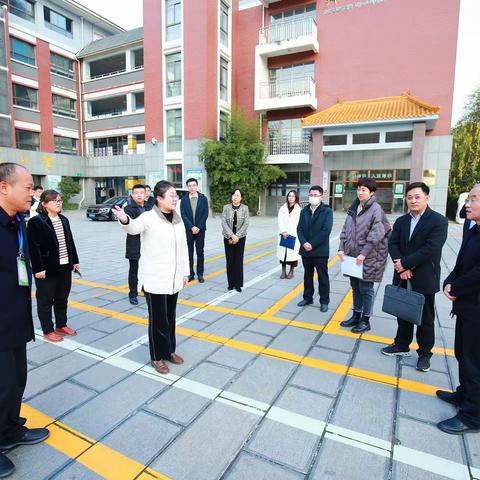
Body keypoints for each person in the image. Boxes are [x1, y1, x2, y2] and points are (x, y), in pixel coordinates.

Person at [0, 162, 49, 478]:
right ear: (4, 187)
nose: (33, 193)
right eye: (28, 187)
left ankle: (9, 431)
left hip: (15, 319)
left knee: (16, 381)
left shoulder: (18, 222)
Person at [113, 180, 189, 375]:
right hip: (155, 279)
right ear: (159, 198)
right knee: (157, 320)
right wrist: (124, 219)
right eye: (171, 195)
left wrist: (185, 272)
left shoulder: (177, 219)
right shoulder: (148, 217)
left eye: (175, 196)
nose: (175, 199)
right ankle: (156, 357)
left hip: (173, 279)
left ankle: (169, 350)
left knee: (170, 318)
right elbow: (133, 228)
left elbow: (183, 248)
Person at [381, 182, 448, 372]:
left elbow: (431, 249)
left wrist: (406, 263)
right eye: (409, 197)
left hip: (424, 276)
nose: (413, 200)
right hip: (402, 273)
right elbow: (392, 244)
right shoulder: (402, 221)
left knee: (425, 317)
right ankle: (401, 345)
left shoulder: (438, 221)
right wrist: (401, 267)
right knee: (403, 311)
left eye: (417, 197)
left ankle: (425, 354)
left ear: (427, 197)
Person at [437, 184, 480, 434]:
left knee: (474, 361)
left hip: (475, 306)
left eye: (473, 199)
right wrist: (449, 281)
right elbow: (462, 260)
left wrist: (457, 287)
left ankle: (473, 416)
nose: (467, 203)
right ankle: (465, 395)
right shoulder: (471, 227)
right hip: (466, 304)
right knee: (462, 353)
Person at [338, 178, 392, 333]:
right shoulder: (354, 207)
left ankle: (366, 320)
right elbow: (345, 230)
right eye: (359, 189)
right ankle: (356, 315)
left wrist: (363, 253)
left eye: (364, 190)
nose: (360, 192)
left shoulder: (376, 209)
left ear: (372, 192)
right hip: (352, 256)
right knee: (355, 287)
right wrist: (341, 248)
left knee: (366, 288)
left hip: (369, 257)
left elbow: (377, 234)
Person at [27, 190, 80, 343]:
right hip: (47, 269)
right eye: (54, 200)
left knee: (62, 298)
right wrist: (38, 269)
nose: (59, 203)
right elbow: (33, 247)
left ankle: (61, 325)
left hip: (65, 266)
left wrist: (74, 261)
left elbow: (70, 243)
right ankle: (48, 330)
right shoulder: (36, 222)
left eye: (60, 200)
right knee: (45, 300)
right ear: (44, 204)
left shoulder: (63, 219)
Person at [297, 185, 333, 312]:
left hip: (320, 250)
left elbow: (326, 231)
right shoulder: (304, 211)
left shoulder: (327, 211)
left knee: (323, 276)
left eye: (315, 195)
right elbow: (299, 229)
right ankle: (307, 297)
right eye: (311, 195)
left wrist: (311, 244)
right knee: (307, 275)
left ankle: (324, 301)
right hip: (305, 250)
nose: (313, 197)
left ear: (321, 197)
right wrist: (304, 243)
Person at [180, 178, 209, 283]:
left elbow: (205, 214)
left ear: (197, 186)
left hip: (200, 230)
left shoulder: (203, 198)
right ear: (187, 187)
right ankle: (190, 274)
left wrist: (198, 227)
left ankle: (200, 274)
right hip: (188, 230)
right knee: (189, 252)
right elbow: (183, 215)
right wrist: (191, 227)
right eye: (190, 186)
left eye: (193, 185)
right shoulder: (183, 200)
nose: (192, 187)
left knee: (200, 252)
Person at [124, 184, 148, 305]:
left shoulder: (150, 208)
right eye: (136, 193)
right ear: (132, 195)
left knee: (147, 268)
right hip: (135, 244)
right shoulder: (128, 209)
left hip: (148, 245)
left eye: (141, 193)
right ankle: (133, 293)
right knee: (134, 270)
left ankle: (145, 288)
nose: (139, 195)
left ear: (145, 194)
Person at [221, 188, 249, 292]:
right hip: (228, 237)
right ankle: (230, 283)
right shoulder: (226, 208)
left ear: (241, 197)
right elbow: (223, 223)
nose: (235, 197)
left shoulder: (245, 208)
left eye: (237, 195)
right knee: (230, 260)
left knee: (238, 260)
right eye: (233, 195)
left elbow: (246, 223)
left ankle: (238, 284)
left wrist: (237, 236)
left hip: (240, 238)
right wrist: (232, 235)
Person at [277, 190, 301, 279]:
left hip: (293, 234)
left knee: (292, 255)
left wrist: (290, 233)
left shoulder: (299, 210)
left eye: (293, 196)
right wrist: (283, 231)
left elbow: (298, 224)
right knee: (283, 254)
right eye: (289, 196)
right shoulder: (282, 208)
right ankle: (283, 271)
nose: (291, 198)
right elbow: (280, 221)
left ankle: (291, 271)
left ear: (296, 198)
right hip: (283, 234)